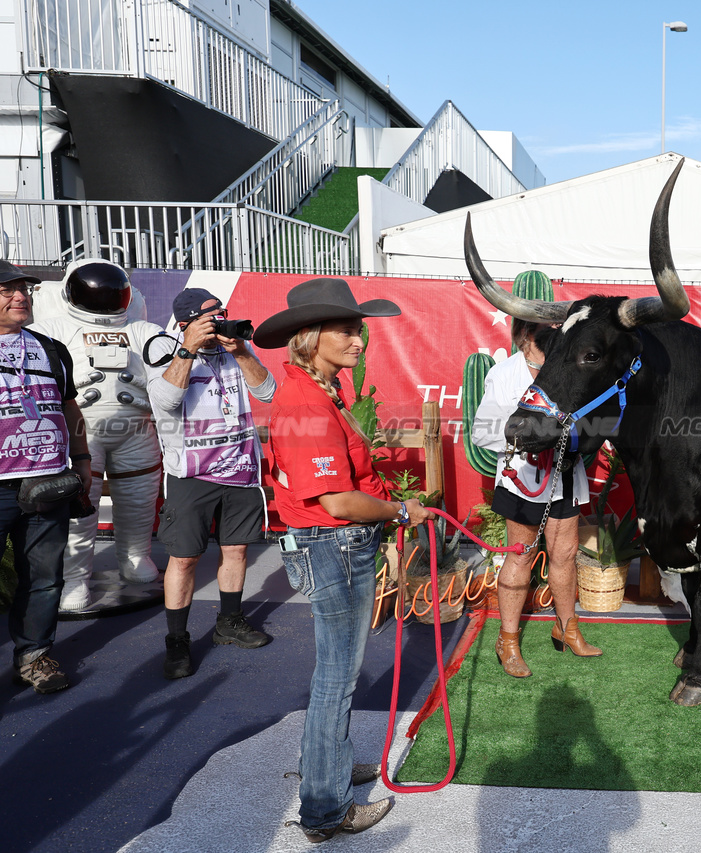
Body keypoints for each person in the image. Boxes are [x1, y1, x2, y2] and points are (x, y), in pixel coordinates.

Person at [253, 277, 431, 842]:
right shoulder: (306, 400)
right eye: (347, 331)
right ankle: (326, 809)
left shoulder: (322, 390)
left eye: (359, 330)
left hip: (335, 545)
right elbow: (339, 501)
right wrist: (400, 511)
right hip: (333, 545)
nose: (359, 340)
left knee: (336, 674)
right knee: (337, 678)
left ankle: (327, 770)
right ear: (309, 338)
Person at [145, 287, 275, 680]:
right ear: (186, 322)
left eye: (222, 313)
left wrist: (240, 351)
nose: (220, 321)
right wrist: (187, 349)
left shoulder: (234, 352)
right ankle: (177, 640)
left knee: (236, 552)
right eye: (211, 316)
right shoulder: (165, 349)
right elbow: (164, 402)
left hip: (240, 472)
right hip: (191, 475)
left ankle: (229, 622)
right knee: (184, 558)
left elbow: (267, 390)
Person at [31, 259, 164, 611]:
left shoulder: (143, 330)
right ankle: (74, 580)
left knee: (138, 499)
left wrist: (140, 383)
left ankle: (136, 557)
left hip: (136, 429)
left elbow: (170, 381)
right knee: (79, 504)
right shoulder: (52, 330)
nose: (104, 295)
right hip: (80, 432)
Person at [471, 314, 600, 678]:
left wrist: (575, 437)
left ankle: (567, 628)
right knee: (522, 556)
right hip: (523, 478)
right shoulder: (504, 374)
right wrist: (535, 434)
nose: (558, 336)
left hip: (564, 476)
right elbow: (483, 431)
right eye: (549, 332)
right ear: (525, 335)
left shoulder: (570, 369)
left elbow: (591, 423)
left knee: (565, 554)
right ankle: (508, 640)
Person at [0, 260, 92, 693]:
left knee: (44, 577)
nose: (21, 296)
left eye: (24, 288)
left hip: (47, 481)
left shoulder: (51, 348)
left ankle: (34, 656)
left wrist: (83, 459)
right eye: (7, 290)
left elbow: (70, 408)